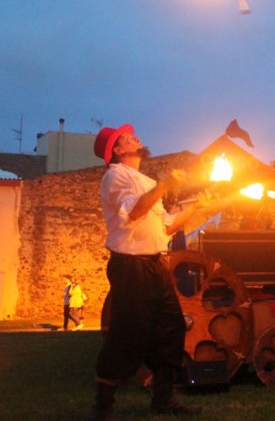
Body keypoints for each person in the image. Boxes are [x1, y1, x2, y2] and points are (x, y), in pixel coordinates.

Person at [90, 123, 203, 419]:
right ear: (117, 150)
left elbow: (166, 226)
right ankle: (103, 408)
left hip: (155, 265)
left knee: (173, 328)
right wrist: (164, 185)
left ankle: (163, 401)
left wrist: (198, 207)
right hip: (130, 266)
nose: (135, 136)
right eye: (127, 137)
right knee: (126, 334)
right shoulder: (114, 176)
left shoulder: (144, 180)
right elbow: (136, 211)